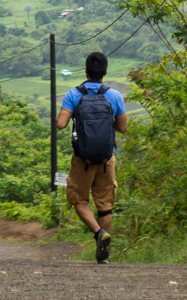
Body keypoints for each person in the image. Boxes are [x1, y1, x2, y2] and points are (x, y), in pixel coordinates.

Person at [55, 51, 127, 264]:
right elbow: (122, 128)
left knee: (78, 200)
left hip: (82, 160)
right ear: (105, 72)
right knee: (105, 205)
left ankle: (98, 234)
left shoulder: (74, 94)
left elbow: (61, 124)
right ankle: (104, 253)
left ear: (85, 71)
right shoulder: (114, 96)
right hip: (106, 160)